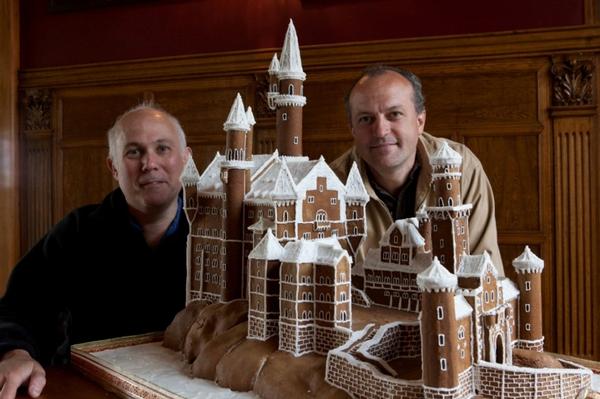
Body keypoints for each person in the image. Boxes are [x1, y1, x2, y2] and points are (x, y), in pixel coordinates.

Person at [0, 104, 191, 398]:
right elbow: (21, 306)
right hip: (91, 389)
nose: (149, 163)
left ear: (186, 159)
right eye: (134, 152)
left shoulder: (228, 232)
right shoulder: (77, 231)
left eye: (162, 148)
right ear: (113, 167)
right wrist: (15, 352)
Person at [330, 65, 504, 274]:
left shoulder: (460, 167)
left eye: (394, 114)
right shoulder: (330, 184)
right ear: (352, 129)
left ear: (420, 121)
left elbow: (484, 270)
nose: (380, 131)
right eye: (366, 119)